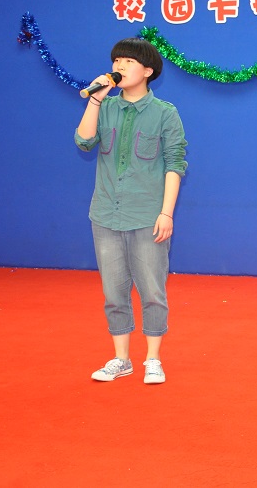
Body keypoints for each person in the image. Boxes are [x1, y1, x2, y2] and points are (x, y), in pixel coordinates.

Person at [75, 38, 188, 383]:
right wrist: (96, 99)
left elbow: (175, 164)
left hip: (147, 217)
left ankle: (152, 359)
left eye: (128, 61)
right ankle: (120, 359)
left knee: (152, 292)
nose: (119, 66)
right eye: (116, 60)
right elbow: (83, 141)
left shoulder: (165, 113)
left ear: (148, 71)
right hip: (106, 215)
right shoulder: (106, 106)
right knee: (113, 292)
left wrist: (166, 213)